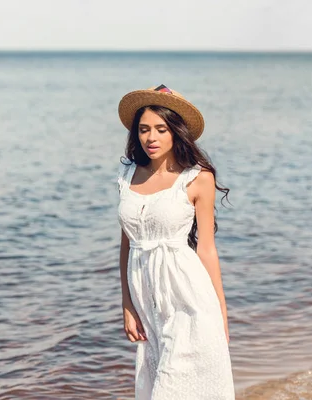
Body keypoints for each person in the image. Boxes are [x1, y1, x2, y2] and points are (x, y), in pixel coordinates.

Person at [116, 84, 235, 399]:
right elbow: (127, 244)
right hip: (144, 295)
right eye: (143, 130)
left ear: (176, 132)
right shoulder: (128, 175)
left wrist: (221, 315)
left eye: (160, 129)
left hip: (186, 293)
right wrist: (127, 304)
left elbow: (206, 249)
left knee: (173, 386)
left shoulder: (198, 178)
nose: (151, 138)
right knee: (154, 378)